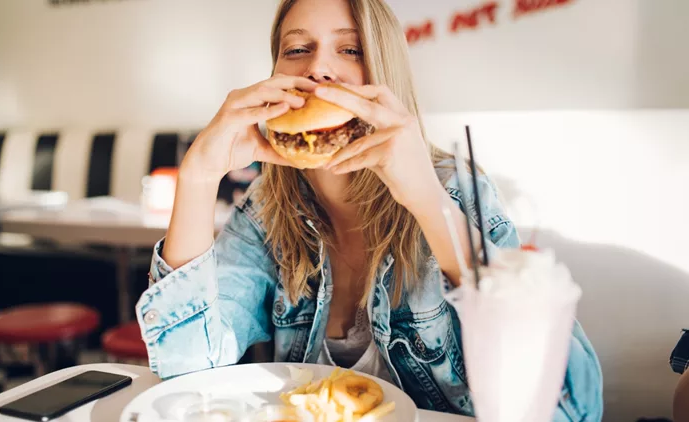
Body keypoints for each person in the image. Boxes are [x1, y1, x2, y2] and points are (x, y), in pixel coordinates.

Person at [135, 0, 603, 419]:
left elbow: (568, 407)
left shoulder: (455, 191)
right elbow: (185, 372)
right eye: (297, 49)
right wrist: (197, 176)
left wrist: (426, 200)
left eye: (351, 50)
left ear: (383, 70)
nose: (319, 67)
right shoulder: (266, 210)